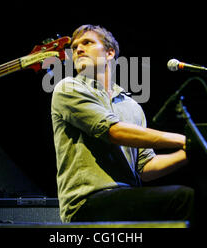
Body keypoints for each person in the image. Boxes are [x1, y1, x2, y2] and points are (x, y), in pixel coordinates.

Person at [51, 24, 194, 224]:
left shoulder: (132, 106)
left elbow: (145, 168)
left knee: (203, 200)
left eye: (87, 42)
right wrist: (182, 140)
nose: (78, 50)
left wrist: (192, 151)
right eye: (74, 48)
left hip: (126, 200)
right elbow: (114, 131)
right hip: (86, 204)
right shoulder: (68, 88)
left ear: (110, 53)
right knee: (183, 199)